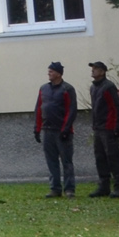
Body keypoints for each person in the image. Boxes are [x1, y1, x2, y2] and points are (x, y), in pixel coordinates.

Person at [32, 61, 78, 198]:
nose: (48, 73)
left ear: (58, 73)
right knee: (51, 161)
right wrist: (37, 128)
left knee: (66, 161)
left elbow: (72, 110)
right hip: (47, 130)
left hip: (62, 131)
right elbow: (39, 109)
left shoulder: (67, 89)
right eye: (48, 71)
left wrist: (65, 129)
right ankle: (55, 188)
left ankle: (69, 189)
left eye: (51, 71)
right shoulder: (43, 89)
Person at [87, 61, 119, 199]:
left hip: (108, 128)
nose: (93, 71)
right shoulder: (93, 87)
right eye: (92, 68)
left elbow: (117, 108)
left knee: (113, 158)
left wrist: (116, 127)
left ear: (103, 71)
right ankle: (104, 186)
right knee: (100, 158)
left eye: (96, 68)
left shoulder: (108, 87)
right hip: (98, 128)